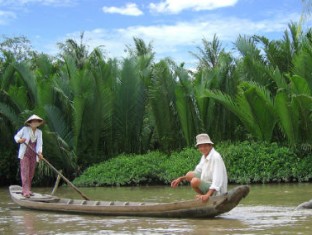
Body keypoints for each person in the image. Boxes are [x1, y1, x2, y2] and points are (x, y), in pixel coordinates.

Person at [171, 133, 228, 202]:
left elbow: (217, 181)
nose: (203, 148)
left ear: (210, 145)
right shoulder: (204, 156)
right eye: (200, 146)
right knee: (189, 175)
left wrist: (208, 195)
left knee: (194, 181)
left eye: (205, 146)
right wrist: (181, 179)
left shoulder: (216, 157)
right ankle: (203, 196)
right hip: (208, 184)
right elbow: (197, 171)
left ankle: (207, 196)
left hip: (218, 191)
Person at [14, 114, 44, 198]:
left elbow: (40, 144)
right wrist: (20, 140)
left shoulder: (39, 132)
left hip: (34, 154)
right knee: (25, 172)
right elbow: (16, 136)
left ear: (38, 123)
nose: (34, 123)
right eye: (33, 121)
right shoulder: (25, 129)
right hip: (25, 154)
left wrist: (40, 153)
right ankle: (25, 190)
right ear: (29, 123)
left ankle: (28, 189)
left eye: (36, 121)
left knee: (31, 172)